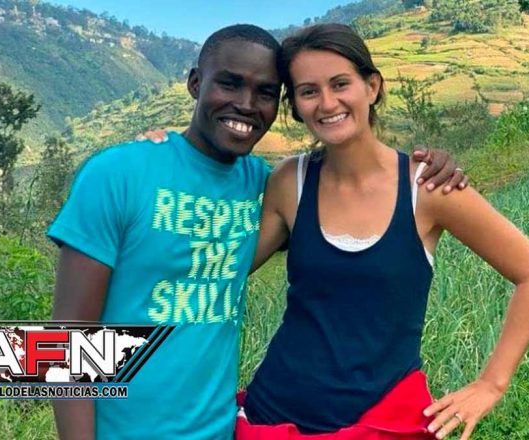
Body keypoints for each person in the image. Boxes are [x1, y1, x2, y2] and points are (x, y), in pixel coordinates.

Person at [48, 24, 467, 440]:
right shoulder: (116, 173)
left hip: (224, 429)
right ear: (195, 83)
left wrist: (433, 170)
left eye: (265, 92)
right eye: (229, 83)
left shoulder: (263, 185)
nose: (246, 104)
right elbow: (64, 342)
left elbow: (347, 218)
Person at [234, 24, 529, 440]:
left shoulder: (428, 187)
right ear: (295, 105)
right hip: (273, 417)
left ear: (372, 87)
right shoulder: (290, 181)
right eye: (309, 91)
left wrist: (491, 384)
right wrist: (167, 154)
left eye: (340, 84)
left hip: (381, 423)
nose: (327, 103)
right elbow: (223, 271)